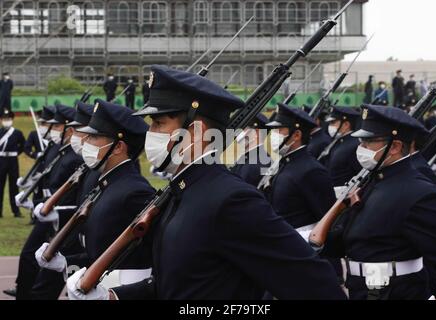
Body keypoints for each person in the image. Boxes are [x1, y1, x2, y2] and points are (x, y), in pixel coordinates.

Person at [66, 65, 346, 300]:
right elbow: (174, 283)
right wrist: (113, 297)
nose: (150, 133)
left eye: (159, 123)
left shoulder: (230, 200)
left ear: (196, 131)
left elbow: (316, 285)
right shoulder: (181, 193)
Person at [323, 104, 436, 300]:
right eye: (361, 142)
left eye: (368, 142)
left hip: (396, 292)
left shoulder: (419, 192)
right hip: (362, 291)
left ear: (395, 147)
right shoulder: (372, 182)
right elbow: (356, 241)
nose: (361, 148)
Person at [35, 99, 156, 299]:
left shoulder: (135, 191)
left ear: (118, 147)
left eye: (94, 138)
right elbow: (98, 251)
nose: (85, 142)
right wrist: (66, 263)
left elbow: (141, 260)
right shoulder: (107, 183)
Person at [14, 104, 83, 300]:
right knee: (33, 260)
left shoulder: (75, 157)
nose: (51, 130)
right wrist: (35, 197)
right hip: (51, 211)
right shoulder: (61, 151)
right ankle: (24, 291)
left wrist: (51, 209)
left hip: (63, 219)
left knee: (53, 277)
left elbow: (72, 194)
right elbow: (49, 180)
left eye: (56, 126)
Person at [263, 103, 336, 238]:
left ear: (296, 135)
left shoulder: (311, 171)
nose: (273, 135)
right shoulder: (284, 163)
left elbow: (328, 219)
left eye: (279, 130)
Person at [320, 106, 362, 187]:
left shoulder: (354, 145)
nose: (330, 126)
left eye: (333, 122)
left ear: (346, 124)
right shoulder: (338, 141)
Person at [230, 113, 272, 187]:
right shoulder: (251, 156)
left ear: (256, 132)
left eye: (243, 129)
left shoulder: (256, 162)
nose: (238, 134)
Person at [0, 110, 25, 218]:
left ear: (12, 120)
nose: (7, 121)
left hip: (13, 161)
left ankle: (16, 211)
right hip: (1, 160)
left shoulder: (17, 133)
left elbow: (23, 145)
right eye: (5, 119)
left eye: (9, 119)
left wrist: (15, 153)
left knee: (14, 187)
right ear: (1, 120)